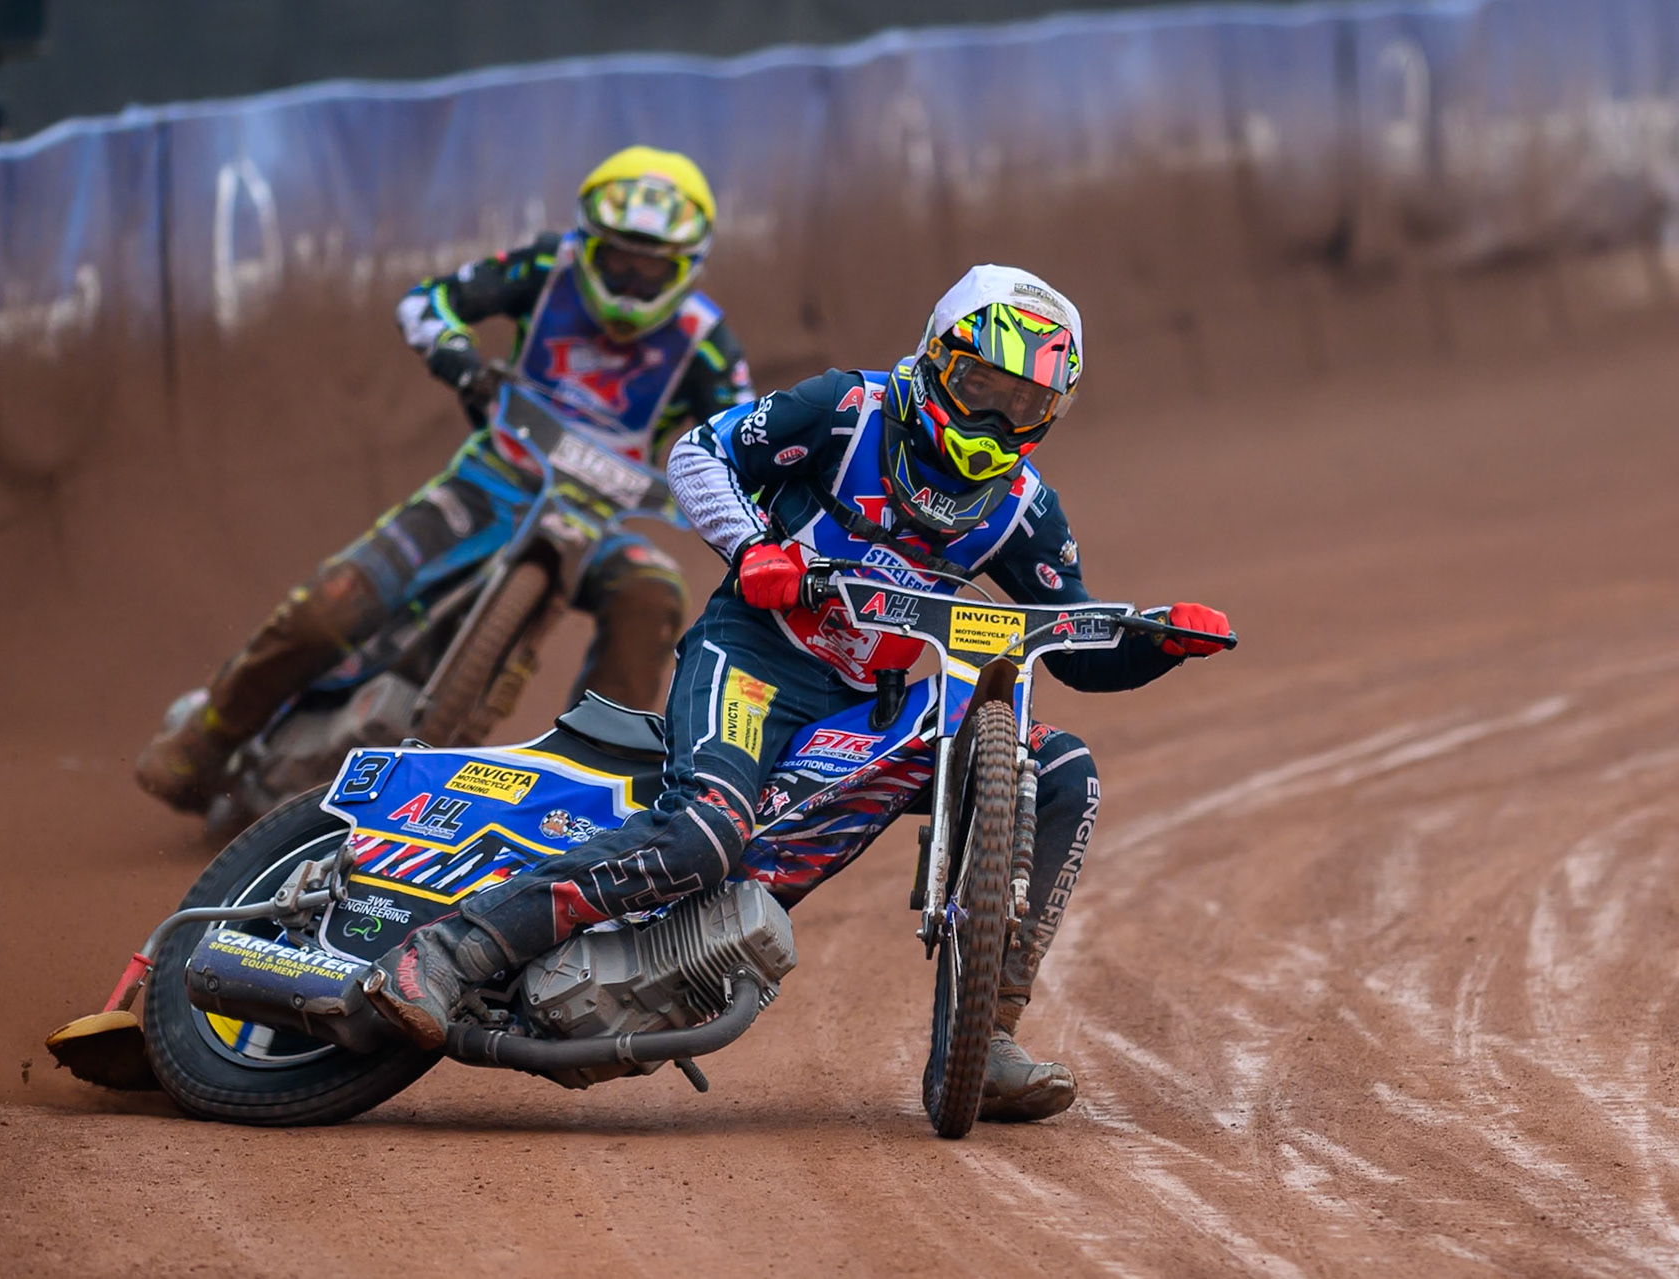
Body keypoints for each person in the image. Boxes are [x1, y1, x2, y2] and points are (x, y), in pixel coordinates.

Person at [365, 264, 1231, 1123]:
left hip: (870, 701)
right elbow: (700, 452)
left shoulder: (1022, 508)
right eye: (981, 386)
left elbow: (1071, 647)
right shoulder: (847, 411)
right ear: (938, 356)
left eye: (1025, 406)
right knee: (703, 832)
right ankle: (447, 952)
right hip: (754, 656)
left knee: (1063, 767)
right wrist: (752, 550)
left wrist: (1161, 643)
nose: (997, 419)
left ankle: (988, 1034)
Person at [135, 146, 755, 813]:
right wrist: (459, 358)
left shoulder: (706, 341)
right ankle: (207, 736)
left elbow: (746, 440)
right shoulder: (547, 269)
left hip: (597, 523)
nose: (631, 283)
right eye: (618, 261)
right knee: (332, 607)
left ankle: (585, 796)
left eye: (651, 269)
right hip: (489, 486)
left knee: (656, 591)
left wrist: (733, 499)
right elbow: (429, 301)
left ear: (687, 269)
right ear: (587, 244)